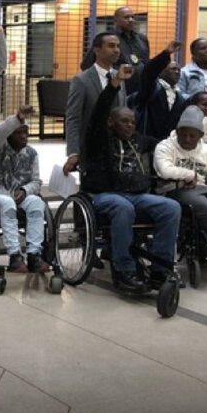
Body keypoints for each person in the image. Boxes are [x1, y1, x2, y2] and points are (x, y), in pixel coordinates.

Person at [80, 64, 181, 292]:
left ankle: (160, 267)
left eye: (132, 122)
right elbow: (99, 112)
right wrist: (114, 84)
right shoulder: (99, 138)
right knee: (122, 207)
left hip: (137, 195)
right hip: (103, 194)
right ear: (110, 123)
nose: (130, 126)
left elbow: (168, 145)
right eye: (124, 121)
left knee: (171, 207)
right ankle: (124, 269)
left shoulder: (139, 140)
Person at [0, 105, 48, 274]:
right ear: (9, 135)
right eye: (19, 133)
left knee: (36, 203)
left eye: (26, 133)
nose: (24, 136)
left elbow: (36, 182)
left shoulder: (32, 154)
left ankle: (34, 254)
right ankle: (15, 256)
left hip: (20, 194)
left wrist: (25, 191)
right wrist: (17, 119)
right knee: (7, 203)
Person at [63, 32, 127, 175]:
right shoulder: (82, 80)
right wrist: (73, 152)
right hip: (92, 148)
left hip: (117, 148)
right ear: (97, 50)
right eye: (111, 46)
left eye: (118, 46)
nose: (116, 50)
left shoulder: (120, 78)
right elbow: (73, 118)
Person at [154, 105, 207, 241]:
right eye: (183, 135)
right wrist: (190, 175)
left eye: (192, 136)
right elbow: (165, 171)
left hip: (203, 188)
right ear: (177, 131)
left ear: (201, 135)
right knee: (204, 206)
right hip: (173, 189)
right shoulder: (165, 146)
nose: (187, 139)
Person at [81, 7, 150, 95]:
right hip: (116, 91)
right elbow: (87, 64)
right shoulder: (107, 39)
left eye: (132, 17)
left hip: (140, 92)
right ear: (116, 20)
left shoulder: (142, 39)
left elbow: (146, 63)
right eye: (126, 17)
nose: (131, 20)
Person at [129, 41, 186, 141]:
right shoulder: (152, 88)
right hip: (147, 143)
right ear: (160, 72)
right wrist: (166, 53)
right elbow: (149, 72)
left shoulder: (180, 98)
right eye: (173, 69)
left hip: (169, 145)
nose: (177, 72)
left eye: (178, 70)